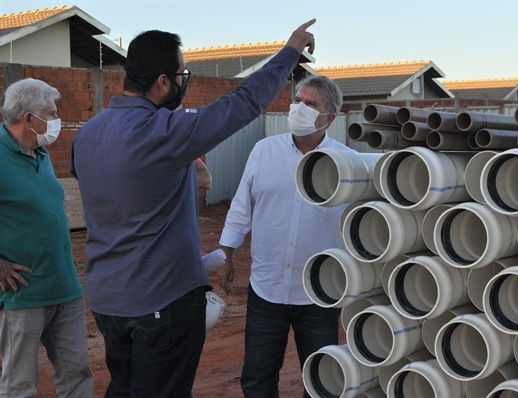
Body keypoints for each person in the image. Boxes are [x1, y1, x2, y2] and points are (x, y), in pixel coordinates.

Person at [70, 20, 317, 397]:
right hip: (162, 302)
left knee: (124, 387)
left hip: (109, 302)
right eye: (181, 74)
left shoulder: (87, 134)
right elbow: (244, 102)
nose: (184, 83)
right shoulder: (164, 131)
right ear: (162, 83)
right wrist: (290, 51)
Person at [218, 75, 355, 398]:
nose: (299, 108)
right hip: (267, 289)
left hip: (319, 293)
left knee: (321, 381)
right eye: (297, 100)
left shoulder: (346, 163)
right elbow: (242, 205)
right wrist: (228, 252)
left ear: (329, 118)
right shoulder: (263, 151)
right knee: (257, 379)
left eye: (310, 104)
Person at [0, 78, 93, 397]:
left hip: (64, 287)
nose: (57, 121)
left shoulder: (38, 152)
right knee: (19, 384)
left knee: (77, 374)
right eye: (51, 113)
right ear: (29, 118)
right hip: (23, 294)